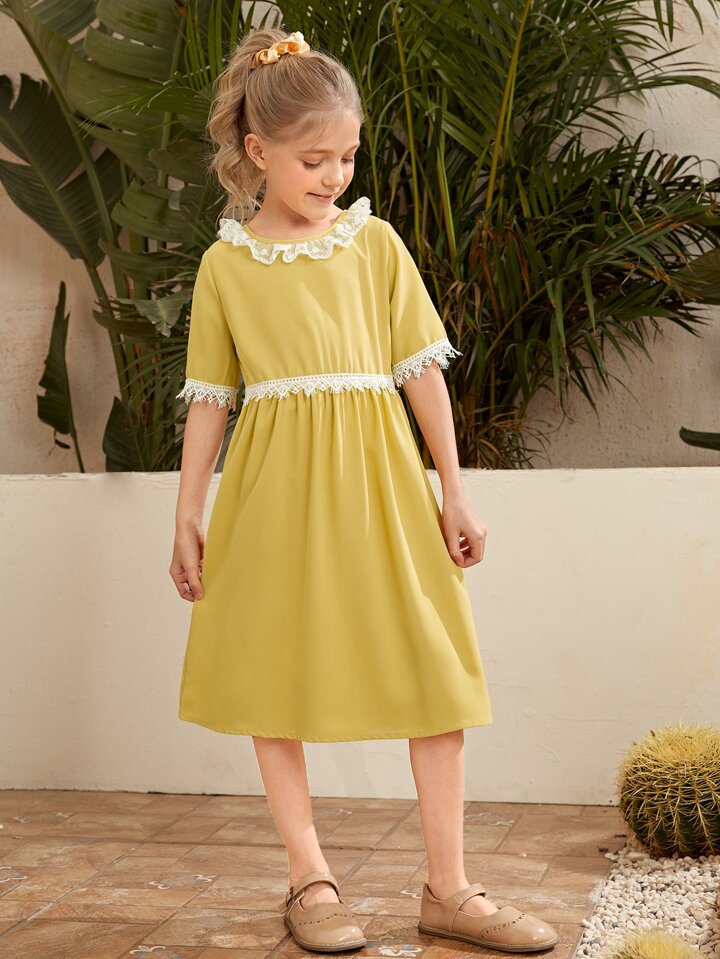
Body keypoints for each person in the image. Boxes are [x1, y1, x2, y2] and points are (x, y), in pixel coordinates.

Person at [169, 25, 559, 955]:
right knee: (270, 675)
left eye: (347, 156)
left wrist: (454, 492)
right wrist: (187, 513)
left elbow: (422, 373)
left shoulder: (373, 243)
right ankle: (309, 876)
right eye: (315, 160)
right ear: (258, 151)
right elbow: (210, 398)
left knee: (435, 671)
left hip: (384, 488)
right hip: (270, 498)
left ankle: (450, 887)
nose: (335, 175)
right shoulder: (227, 266)